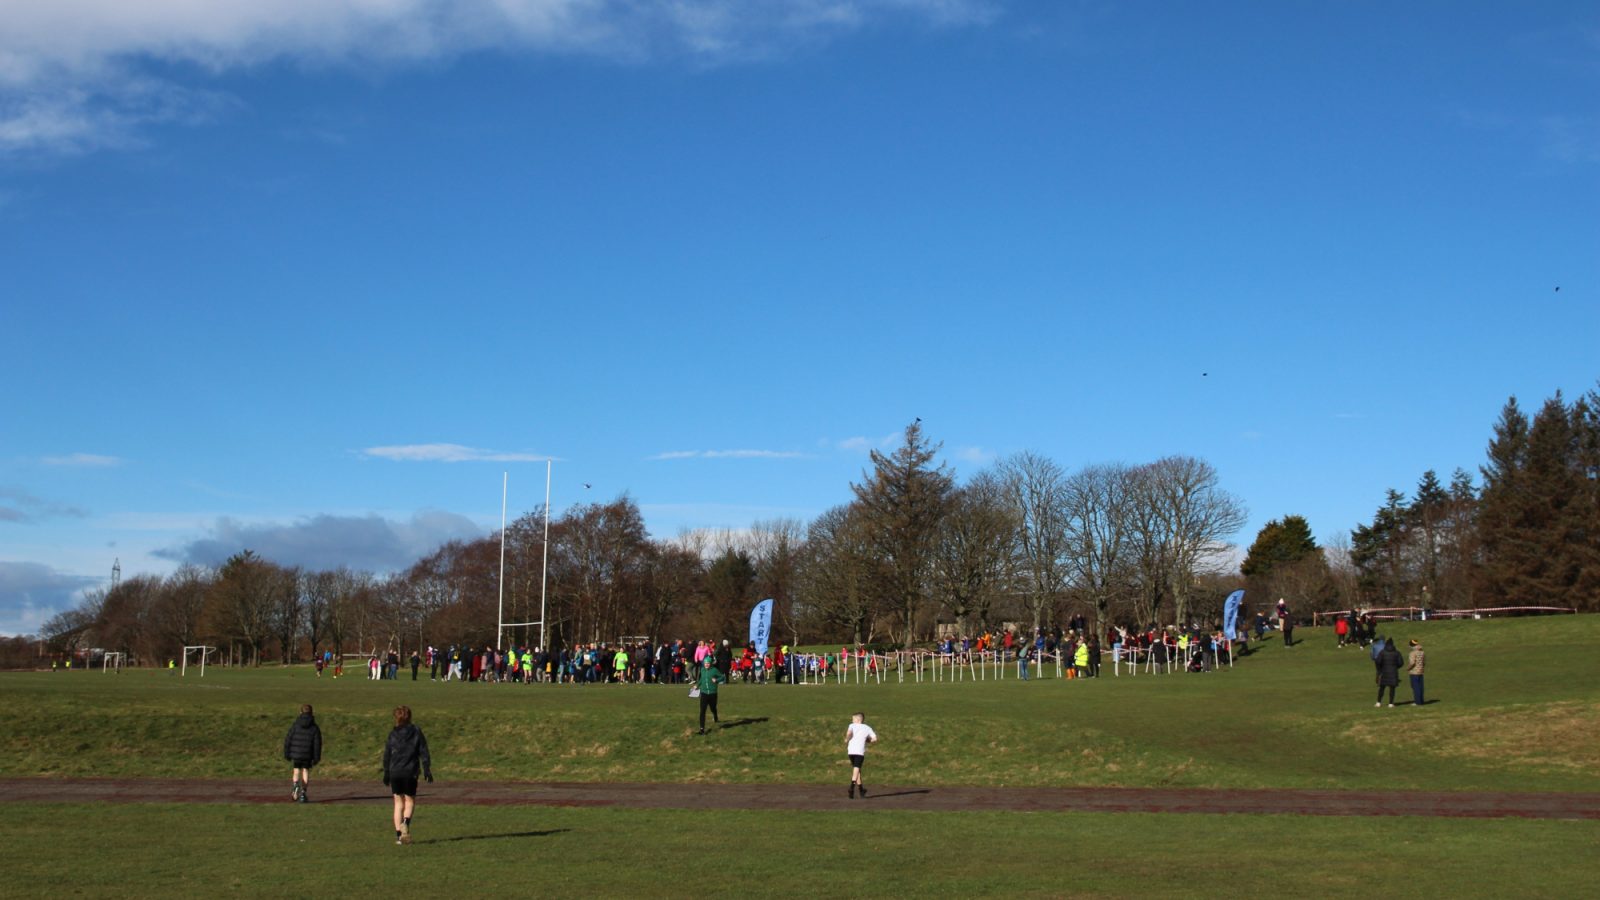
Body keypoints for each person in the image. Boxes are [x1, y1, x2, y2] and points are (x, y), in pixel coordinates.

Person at [383, 705, 432, 845]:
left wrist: (386, 772)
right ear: (409, 717)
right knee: (410, 801)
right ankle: (406, 824)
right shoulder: (416, 731)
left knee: (398, 803)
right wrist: (427, 769)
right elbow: (424, 751)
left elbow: (387, 755)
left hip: (395, 772)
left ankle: (399, 836)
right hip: (410, 772)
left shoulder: (393, 734)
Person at [282, 703, 322, 803]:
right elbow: (317, 744)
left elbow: (288, 739)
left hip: (296, 753)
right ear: (312, 713)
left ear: (300, 712)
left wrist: (287, 753)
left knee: (296, 770)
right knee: (305, 771)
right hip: (307, 754)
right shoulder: (314, 727)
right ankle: (303, 793)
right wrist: (316, 757)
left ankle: (295, 786)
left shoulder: (295, 725)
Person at [845, 711, 878, 799]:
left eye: (853, 719)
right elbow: (874, 739)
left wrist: (847, 739)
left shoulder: (851, 725)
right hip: (859, 751)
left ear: (858, 719)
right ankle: (851, 788)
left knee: (857, 770)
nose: (852, 721)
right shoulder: (867, 728)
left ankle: (861, 789)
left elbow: (848, 733)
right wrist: (868, 740)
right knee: (856, 769)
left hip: (850, 751)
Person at [695, 655, 722, 735]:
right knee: (702, 711)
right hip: (704, 693)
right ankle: (702, 729)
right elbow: (701, 679)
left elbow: (722, 677)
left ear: (710, 663)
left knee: (713, 708)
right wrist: (697, 685)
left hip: (713, 693)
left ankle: (715, 715)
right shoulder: (702, 670)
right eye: (705, 663)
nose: (706, 664)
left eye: (708, 663)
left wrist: (716, 680)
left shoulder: (714, 670)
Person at [1375, 639, 1403, 708]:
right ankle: (1391, 703)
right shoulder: (1397, 653)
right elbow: (1401, 663)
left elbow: (1378, 661)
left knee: (1382, 688)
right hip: (1393, 672)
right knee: (1392, 689)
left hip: (1384, 672)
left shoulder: (1382, 652)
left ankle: (1378, 702)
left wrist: (1380, 669)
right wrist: (1395, 667)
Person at [1407, 639, 1426, 706]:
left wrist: (1408, 668)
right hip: (1421, 671)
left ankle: (1417, 701)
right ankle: (1421, 700)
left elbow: (1412, 663)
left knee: (1415, 687)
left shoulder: (1412, 653)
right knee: (1420, 687)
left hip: (1414, 672)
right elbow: (1423, 662)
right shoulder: (1422, 652)